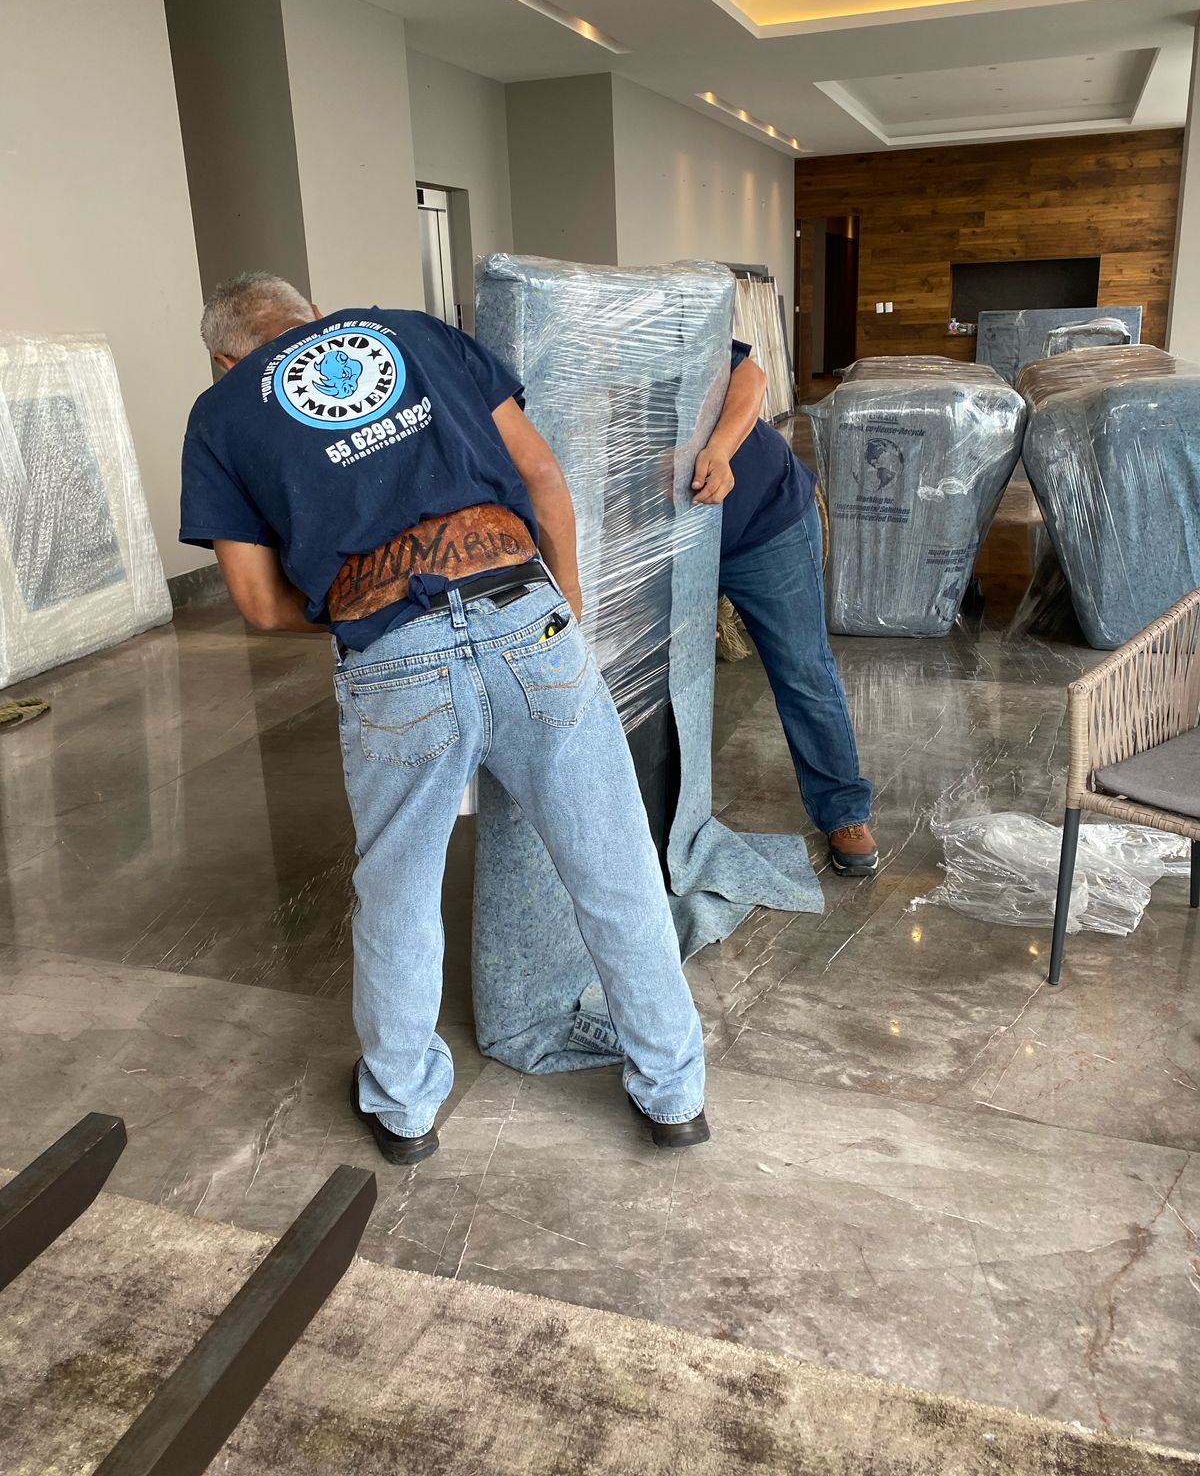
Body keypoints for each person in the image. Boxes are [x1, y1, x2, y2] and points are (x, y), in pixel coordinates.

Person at [179, 272, 709, 1163]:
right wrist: (563, 605)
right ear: (313, 317)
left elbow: (259, 602)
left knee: (398, 891)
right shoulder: (417, 334)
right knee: (615, 863)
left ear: (227, 356)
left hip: (393, 657)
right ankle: (673, 1095)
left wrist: (370, 599)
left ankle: (403, 1109)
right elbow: (542, 474)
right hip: (524, 613)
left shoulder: (221, 410)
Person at [690, 341, 877, 877]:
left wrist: (722, 448)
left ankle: (842, 810)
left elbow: (750, 377)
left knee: (801, 669)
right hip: (675, 545)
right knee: (663, 685)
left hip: (763, 522)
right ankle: (659, 819)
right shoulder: (573, 378)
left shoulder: (665, 323)